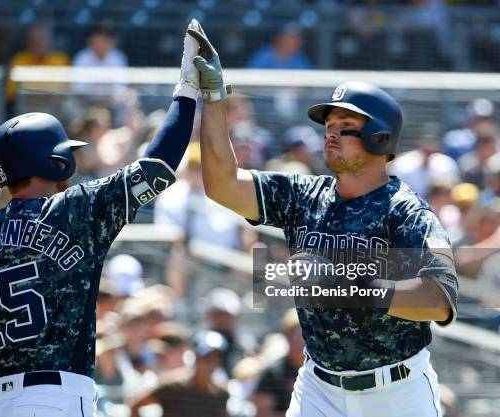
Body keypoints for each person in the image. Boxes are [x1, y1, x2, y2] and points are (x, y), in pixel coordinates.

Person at [0, 20, 203, 417]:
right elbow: (159, 166)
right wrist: (188, 89)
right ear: (56, 162)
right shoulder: (74, 210)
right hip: (57, 400)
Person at [189, 22, 458, 417]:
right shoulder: (304, 195)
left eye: (345, 129)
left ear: (380, 139)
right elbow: (223, 184)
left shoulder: (406, 210)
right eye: (328, 127)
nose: (330, 135)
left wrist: (345, 281)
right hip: (318, 387)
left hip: (396, 391)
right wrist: (213, 100)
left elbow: (440, 299)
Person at [130, 330, 229, 417]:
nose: (211, 364)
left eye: (216, 359)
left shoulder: (221, 395)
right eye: (206, 358)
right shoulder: (172, 387)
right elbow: (136, 404)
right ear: (196, 358)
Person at [5, 24, 70, 108]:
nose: (38, 44)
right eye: (34, 41)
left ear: (49, 41)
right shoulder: (19, 60)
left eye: (41, 40)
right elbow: (11, 93)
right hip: (27, 109)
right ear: (28, 41)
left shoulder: (60, 59)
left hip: (56, 108)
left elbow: (65, 90)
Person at [246, 23, 313, 70]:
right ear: (280, 38)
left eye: (298, 38)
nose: (296, 42)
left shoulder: (300, 59)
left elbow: (307, 82)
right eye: (291, 38)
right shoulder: (264, 56)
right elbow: (251, 79)